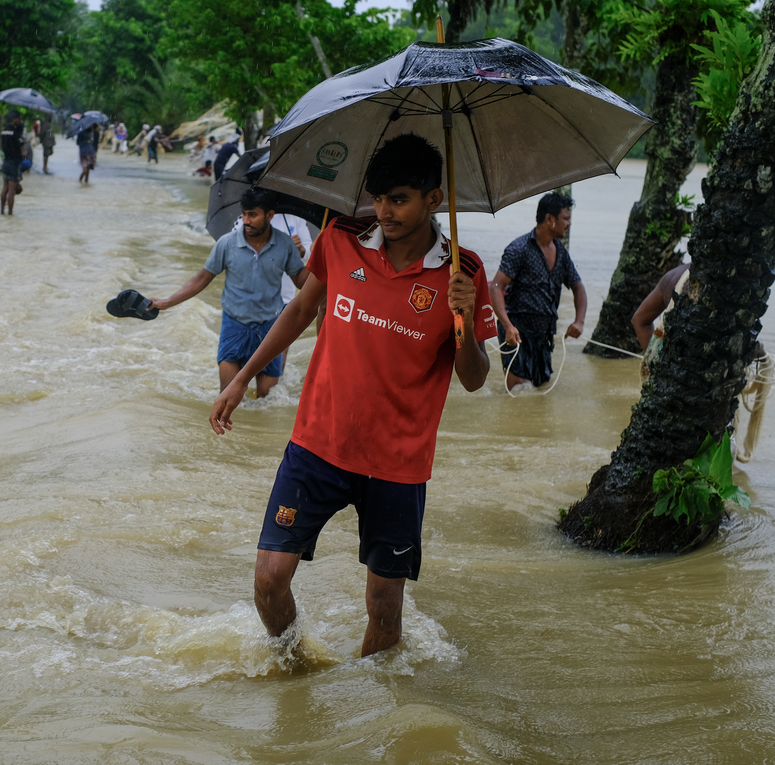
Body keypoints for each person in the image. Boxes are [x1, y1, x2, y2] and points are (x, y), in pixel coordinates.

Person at [208, 133, 496, 658]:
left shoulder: (464, 272)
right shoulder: (340, 235)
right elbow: (298, 312)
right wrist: (241, 377)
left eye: (400, 199)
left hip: (398, 465)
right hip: (318, 443)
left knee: (385, 608)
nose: (384, 211)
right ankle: (298, 674)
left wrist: (464, 319)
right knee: (269, 581)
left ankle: (364, 716)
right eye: (378, 197)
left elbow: (474, 378)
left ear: (435, 200)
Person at [148, 187, 307, 398]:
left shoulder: (285, 244)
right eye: (244, 214)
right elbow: (202, 278)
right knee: (228, 395)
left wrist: (322, 259)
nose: (246, 220)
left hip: (270, 327)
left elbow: (301, 281)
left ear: (269, 215)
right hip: (235, 326)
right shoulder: (227, 243)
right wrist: (167, 302)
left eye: (252, 214)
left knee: (267, 400)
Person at [487, 192, 587, 390]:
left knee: (540, 389)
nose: (569, 224)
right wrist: (507, 326)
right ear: (549, 219)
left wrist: (580, 321)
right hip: (516, 332)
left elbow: (578, 287)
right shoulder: (519, 249)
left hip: (544, 335)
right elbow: (496, 287)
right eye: (566, 219)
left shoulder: (561, 253)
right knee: (520, 391)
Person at [0, 111, 29, 215]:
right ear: (15, 119)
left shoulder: (4, 132)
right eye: (19, 119)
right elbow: (22, 147)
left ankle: (2, 212)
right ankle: (10, 213)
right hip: (14, 163)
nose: (20, 121)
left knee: (5, 189)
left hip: (6, 161)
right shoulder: (16, 134)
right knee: (12, 191)